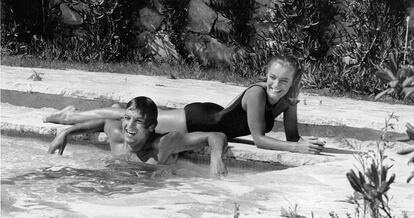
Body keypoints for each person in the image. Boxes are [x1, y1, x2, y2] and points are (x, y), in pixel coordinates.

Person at [45, 55, 324, 154]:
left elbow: (292, 138)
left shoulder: (289, 100)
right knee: (125, 117)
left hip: (211, 114)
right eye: (272, 77)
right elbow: (260, 140)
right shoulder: (256, 94)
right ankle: (68, 117)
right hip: (197, 119)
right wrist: (295, 147)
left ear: (293, 82)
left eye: (284, 81)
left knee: (127, 115)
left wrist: (300, 140)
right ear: (266, 75)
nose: (275, 85)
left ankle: (71, 115)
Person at [48, 96, 228, 176]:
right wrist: (67, 132)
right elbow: (103, 122)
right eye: (127, 119)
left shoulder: (164, 144)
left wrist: (216, 157)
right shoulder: (118, 138)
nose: (129, 126)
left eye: (138, 122)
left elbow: (216, 136)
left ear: (151, 127)